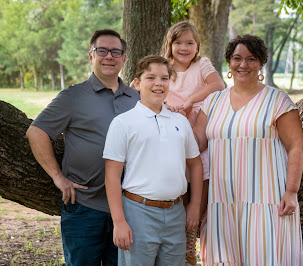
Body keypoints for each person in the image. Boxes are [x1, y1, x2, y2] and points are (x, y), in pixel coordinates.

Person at [26, 29, 140, 265]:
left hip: (128, 208)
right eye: (102, 51)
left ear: (124, 58)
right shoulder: (73, 96)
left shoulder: (136, 99)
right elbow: (36, 132)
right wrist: (58, 177)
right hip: (84, 207)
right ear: (91, 56)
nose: (109, 56)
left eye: (115, 51)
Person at [193, 34, 303, 265]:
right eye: (237, 58)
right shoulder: (213, 102)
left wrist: (292, 191)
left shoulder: (278, 101)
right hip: (223, 200)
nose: (243, 65)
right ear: (229, 63)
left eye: (251, 59)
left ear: (261, 63)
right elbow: (196, 142)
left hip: (267, 199)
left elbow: (295, 147)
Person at [103, 55, 203, 266]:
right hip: (138, 212)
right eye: (151, 78)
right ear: (137, 83)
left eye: (164, 78)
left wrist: (194, 205)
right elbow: (111, 176)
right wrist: (119, 221)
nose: (158, 83)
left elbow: (195, 164)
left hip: (176, 212)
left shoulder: (180, 122)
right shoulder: (123, 123)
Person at [161, 21, 225, 265]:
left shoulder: (202, 64)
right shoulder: (165, 66)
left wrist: (189, 100)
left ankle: (192, 246)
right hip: (171, 128)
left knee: (201, 188)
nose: (184, 48)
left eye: (190, 43)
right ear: (170, 45)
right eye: (178, 43)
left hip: (198, 126)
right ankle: (180, 249)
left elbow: (218, 85)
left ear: (197, 46)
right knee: (180, 192)